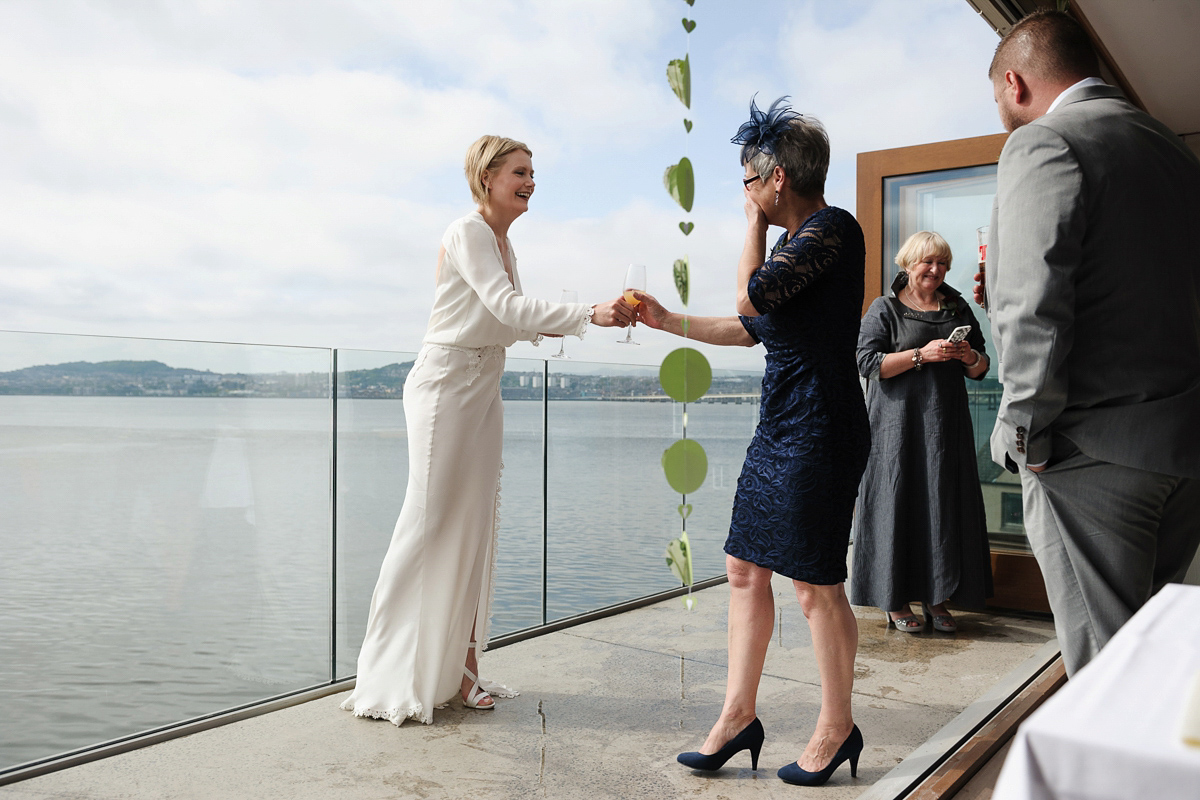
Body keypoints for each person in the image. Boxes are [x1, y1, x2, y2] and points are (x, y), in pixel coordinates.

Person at [341, 135, 634, 724]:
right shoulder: (468, 232)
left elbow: (511, 322)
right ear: (488, 177)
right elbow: (508, 309)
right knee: (426, 526)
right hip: (445, 387)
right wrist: (588, 315)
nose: (531, 182)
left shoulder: (503, 242)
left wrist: (576, 322)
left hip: (483, 388)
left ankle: (461, 672)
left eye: (533, 173)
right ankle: (393, 674)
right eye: (520, 172)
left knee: (477, 529)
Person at [636, 96, 870, 787]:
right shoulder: (803, 253)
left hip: (822, 426)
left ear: (776, 181)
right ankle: (737, 715)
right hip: (780, 427)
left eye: (748, 180)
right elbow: (750, 330)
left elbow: (749, 301)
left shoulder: (832, 231)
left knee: (815, 584)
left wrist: (750, 227)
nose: (744, 194)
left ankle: (837, 725)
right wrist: (667, 321)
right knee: (743, 569)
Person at [978, 10, 1200, 676]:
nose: (1002, 119)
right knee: (1154, 657)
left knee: (1109, 678)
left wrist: (1025, 436)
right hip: (1182, 447)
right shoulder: (1173, 151)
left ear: (1015, 83)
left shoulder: (1043, 142)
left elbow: (1032, 310)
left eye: (998, 103)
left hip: (1092, 453)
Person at [850, 231, 993, 634]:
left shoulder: (958, 307)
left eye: (942, 263)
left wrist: (969, 355)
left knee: (941, 505)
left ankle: (937, 595)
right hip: (895, 428)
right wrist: (920, 355)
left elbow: (981, 369)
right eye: (927, 262)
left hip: (945, 427)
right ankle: (894, 599)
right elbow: (866, 363)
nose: (935, 270)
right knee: (897, 502)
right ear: (907, 265)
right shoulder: (886, 308)